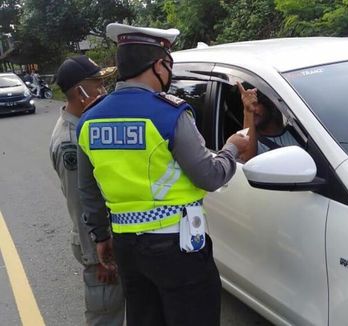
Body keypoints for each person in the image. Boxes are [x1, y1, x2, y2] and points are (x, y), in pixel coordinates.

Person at [76, 23, 249, 326]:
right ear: (158, 65)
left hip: (126, 246)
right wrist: (232, 148)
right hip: (177, 248)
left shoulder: (89, 119)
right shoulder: (169, 114)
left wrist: (101, 237)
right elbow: (209, 176)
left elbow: (88, 191)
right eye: (168, 66)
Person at [49, 55, 125, 326]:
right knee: (105, 316)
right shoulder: (70, 142)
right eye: (99, 85)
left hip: (100, 238)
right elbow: (80, 202)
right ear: (81, 92)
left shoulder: (84, 128)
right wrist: (97, 257)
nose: (104, 91)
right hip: (95, 244)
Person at [237, 82, 300, 161]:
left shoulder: (296, 132)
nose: (252, 109)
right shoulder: (243, 136)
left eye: (255, 104)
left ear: (270, 104)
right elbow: (245, 160)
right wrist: (248, 111)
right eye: (246, 106)